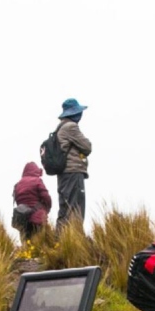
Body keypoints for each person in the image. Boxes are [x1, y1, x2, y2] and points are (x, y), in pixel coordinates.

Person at [54, 97, 92, 230]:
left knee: (65, 208)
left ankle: (59, 238)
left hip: (64, 174)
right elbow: (87, 147)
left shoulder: (60, 127)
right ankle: (75, 237)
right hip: (73, 172)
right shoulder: (71, 127)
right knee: (76, 208)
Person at [12, 161, 52, 240]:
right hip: (38, 219)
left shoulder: (17, 185)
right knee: (41, 243)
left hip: (23, 220)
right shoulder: (37, 181)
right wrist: (47, 209)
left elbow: (17, 201)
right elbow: (46, 197)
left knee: (27, 243)